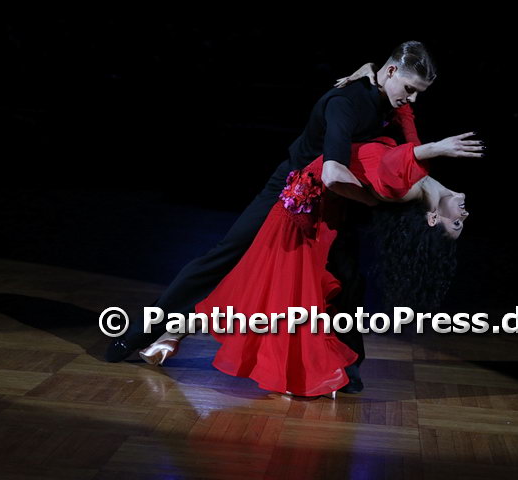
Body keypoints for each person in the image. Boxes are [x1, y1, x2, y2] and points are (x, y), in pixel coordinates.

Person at [105, 40, 481, 392]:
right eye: (410, 89)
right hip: (292, 192)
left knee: (346, 278)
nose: (411, 99)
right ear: (391, 70)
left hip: (333, 200)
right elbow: (333, 171)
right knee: (225, 258)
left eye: (418, 93)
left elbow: (409, 154)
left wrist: (429, 182)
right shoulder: (345, 102)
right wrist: (377, 197)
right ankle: (142, 331)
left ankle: (345, 369)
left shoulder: (391, 100)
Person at [138, 132, 474, 397]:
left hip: (304, 218)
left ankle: (176, 336)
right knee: (255, 292)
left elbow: (385, 164)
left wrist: (437, 148)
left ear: (433, 219)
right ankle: (173, 335)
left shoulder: (404, 191)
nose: (465, 214)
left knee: (259, 294)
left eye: (456, 223)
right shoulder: (422, 182)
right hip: (305, 211)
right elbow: (403, 134)